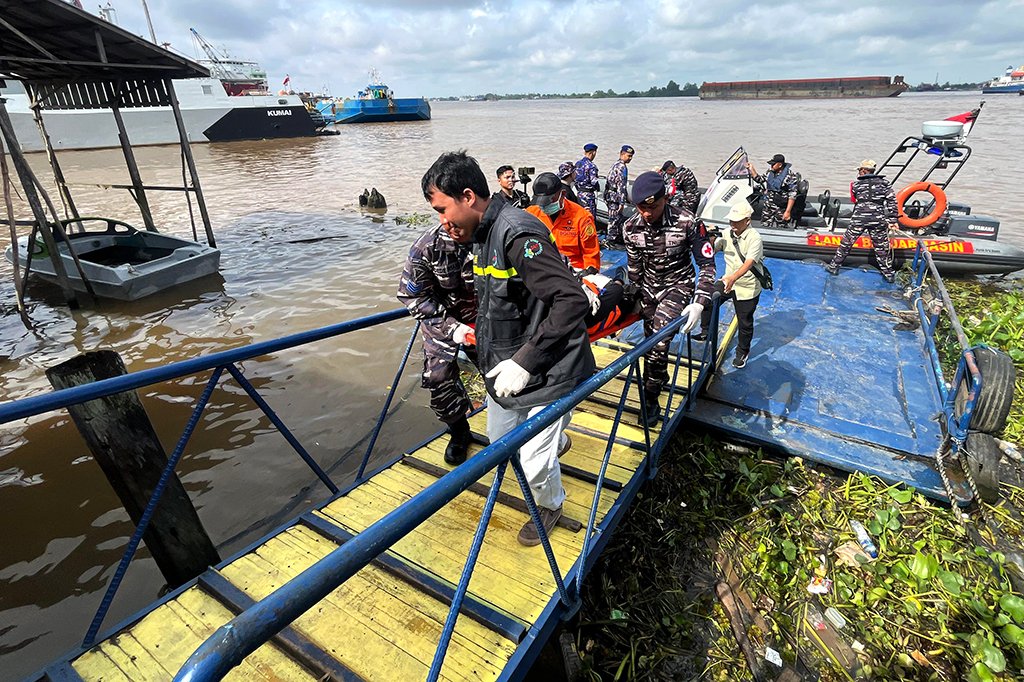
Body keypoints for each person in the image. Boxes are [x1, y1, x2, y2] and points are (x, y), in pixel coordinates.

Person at [422, 150, 595, 547]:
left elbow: (571, 300)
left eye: (443, 209)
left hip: (550, 369)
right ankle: (558, 441)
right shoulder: (480, 236)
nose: (442, 221)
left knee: (533, 462)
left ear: (468, 197)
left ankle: (550, 505)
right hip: (506, 367)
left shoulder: (517, 234)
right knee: (502, 445)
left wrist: (527, 361)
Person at [622, 171, 716, 426]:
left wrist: (699, 302)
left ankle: (650, 399)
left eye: (652, 207)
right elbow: (634, 269)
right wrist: (633, 298)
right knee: (650, 344)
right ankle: (658, 376)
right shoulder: (630, 227)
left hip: (678, 286)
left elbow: (707, 265)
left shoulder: (687, 222)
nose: (646, 213)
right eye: (641, 208)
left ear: (665, 199)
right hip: (649, 291)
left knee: (659, 343)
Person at [397, 224, 478, 464]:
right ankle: (460, 433)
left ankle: (515, 431)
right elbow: (411, 296)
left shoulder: (493, 235)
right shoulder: (428, 246)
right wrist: (452, 327)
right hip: (441, 321)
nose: (450, 220)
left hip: (487, 320)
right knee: (438, 380)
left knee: (503, 377)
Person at [698, 202, 763, 369]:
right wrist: (710, 238)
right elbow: (713, 250)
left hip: (747, 286)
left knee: (744, 322)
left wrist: (733, 278)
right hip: (728, 280)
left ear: (747, 221)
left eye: (736, 221)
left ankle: (742, 352)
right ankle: (706, 331)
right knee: (708, 299)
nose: (732, 223)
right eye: (731, 220)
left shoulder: (754, 238)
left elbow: (749, 263)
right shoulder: (727, 233)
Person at [825, 159, 897, 283]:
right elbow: (892, 202)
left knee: (846, 243)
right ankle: (888, 274)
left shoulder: (856, 185)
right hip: (878, 218)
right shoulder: (885, 184)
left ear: (863, 170)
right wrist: (893, 220)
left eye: (859, 170)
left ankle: (834, 267)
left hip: (859, 218)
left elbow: (854, 199)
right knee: (881, 247)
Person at [526, 172, 601, 272]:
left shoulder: (582, 218)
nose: (544, 206)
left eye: (548, 202)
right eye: (541, 203)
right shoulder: (531, 213)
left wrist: (588, 273)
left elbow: (591, 255)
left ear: (563, 194)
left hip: (573, 271)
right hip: (542, 268)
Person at [747, 153, 798, 228]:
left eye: (773, 164)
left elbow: (792, 195)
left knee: (781, 227)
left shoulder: (790, 176)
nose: (771, 166)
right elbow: (759, 179)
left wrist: (787, 212)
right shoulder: (770, 172)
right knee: (764, 225)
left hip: (780, 207)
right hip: (768, 207)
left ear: (780, 165)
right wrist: (751, 169)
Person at [604, 145, 634, 245]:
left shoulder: (615, 164)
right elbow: (621, 185)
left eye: (631, 156)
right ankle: (611, 241)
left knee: (613, 218)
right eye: (628, 156)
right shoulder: (622, 167)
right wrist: (622, 202)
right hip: (615, 197)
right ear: (622, 154)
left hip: (609, 195)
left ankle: (612, 239)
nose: (630, 158)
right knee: (614, 219)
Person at [574, 143, 600, 219]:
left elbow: (574, 178)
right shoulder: (591, 166)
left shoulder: (578, 164)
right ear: (593, 152)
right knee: (590, 218)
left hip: (579, 194)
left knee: (580, 217)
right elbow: (594, 182)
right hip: (588, 196)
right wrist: (597, 188)